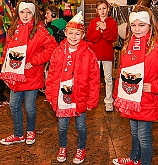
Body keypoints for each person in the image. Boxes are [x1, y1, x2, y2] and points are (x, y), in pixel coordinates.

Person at [112, 5, 158, 165]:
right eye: (133, 25)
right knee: (134, 132)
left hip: (147, 100)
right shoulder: (129, 43)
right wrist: (117, 95)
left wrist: (155, 86)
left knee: (143, 137)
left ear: (150, 24)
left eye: (141, 25)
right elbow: (122, 71)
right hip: (130, 99)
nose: (137, 29)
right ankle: (134, 159)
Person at [0, 0, 57, 145]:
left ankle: (31, 131)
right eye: (22, 12)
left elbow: (52, 47)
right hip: (15, 75)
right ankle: (18, 134)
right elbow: (7, 49)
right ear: (18, 13)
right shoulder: (13, 29)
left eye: (28, 12)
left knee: (30, 107)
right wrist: (5, 70)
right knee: (13, 105)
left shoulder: (40, 30)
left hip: (32, 75)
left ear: (34, 14)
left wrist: (34, 61)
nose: (25, 15)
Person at [45, 11, 100, 164]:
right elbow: (51, 75)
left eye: (77, 34)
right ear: (65, 33)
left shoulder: (89, 55)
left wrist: (92, 99)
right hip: (61, 96)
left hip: (80, 96)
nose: (74, 37)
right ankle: (63, 146)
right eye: (71, 33)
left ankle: (81, 148)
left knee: (80, 125)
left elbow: (94, 80)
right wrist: (50, 94)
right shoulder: (57, 52)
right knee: (62, 126)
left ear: (83, 35)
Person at [86, 0, 118, 112]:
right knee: (94, 78)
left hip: (107, 55)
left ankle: (109, 101)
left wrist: (105, 29)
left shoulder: (112, 22)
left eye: (104, 8)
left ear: (108, 9)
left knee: (108, 79)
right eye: (100, 9)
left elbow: (113, 38)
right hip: (95, 55)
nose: (102, 11)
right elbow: (90, 38)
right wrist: (99, 31)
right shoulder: (93, 22)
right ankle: (91, 99)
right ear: (96, 11)